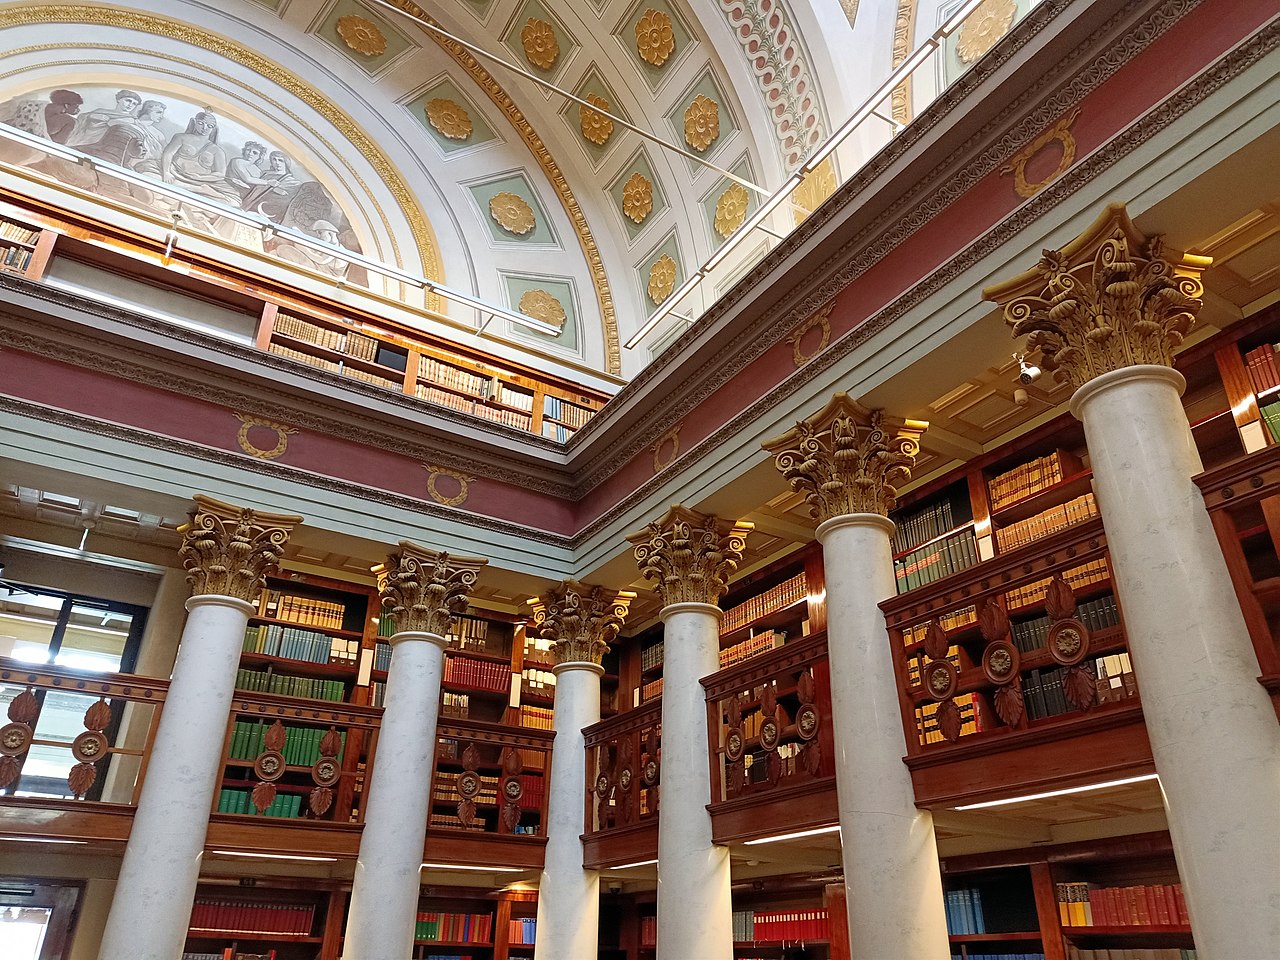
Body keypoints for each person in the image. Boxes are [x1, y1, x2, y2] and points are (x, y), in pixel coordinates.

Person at [65, 88, 142, 147]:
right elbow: (82, 117)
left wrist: (109, 121)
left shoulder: (131, 119)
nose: (130, 105)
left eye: (134, 104)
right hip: (83, 139)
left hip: (106, 144)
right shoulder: (101, 111)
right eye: (128, 101)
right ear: (119, 100)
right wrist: (93, 116)